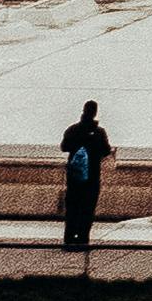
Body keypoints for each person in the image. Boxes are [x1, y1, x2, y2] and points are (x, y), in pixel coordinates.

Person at [59, 101, 110, 250]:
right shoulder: (99, 132)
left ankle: (69, 239)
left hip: (74, 176)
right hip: (92, 177)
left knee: (73, 207)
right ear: (95, 113)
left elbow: (64, 147)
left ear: (83, 111)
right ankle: (82, 239)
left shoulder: (73, 129)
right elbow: (106, 150)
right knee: (87, 208)